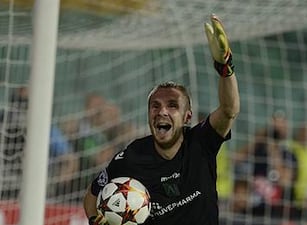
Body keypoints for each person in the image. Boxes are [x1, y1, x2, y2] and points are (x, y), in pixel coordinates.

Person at [83, 14, 240, 225]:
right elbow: (92, 197)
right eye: (155, 106)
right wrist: (95, 221)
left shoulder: (201, 141)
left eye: (172, 105)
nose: (162, 111)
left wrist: (225, 68)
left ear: (187, 117)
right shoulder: (131, 158)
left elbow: (229, 109)